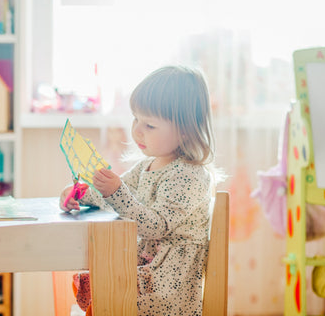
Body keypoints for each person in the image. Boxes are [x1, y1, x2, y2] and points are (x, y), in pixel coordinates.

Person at [60, 65, 217, 316]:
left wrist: (116, 191)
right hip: (147, 270)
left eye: (150, 125)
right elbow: (115, 196)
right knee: (95, 278)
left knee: (105, 285)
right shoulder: (147, 165)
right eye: (136, 119)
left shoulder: (190, 175)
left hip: (167, 287)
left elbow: (155, 226)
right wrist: (81, 193)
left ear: (186, 130)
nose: (137, 130)